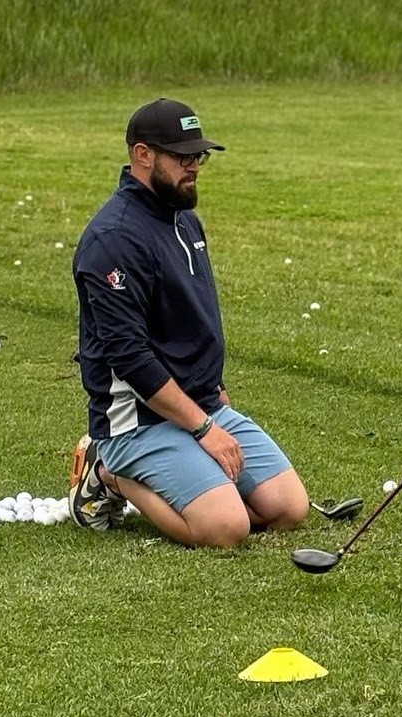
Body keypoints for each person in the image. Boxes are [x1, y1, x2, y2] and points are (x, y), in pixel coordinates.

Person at [68, 97, 310, 547]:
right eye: (182, 156)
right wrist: (204, 430)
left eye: (198, 156)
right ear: (143, 155)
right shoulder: (113, 240)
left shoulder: (185, 220)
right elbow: (130, 357)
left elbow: (190, 321)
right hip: (137, 421)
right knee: (227, 529)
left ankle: (194, 473)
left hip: (201, 405)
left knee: (288, 510)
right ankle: (107, 470)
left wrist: (212, 395)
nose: (194, 165)